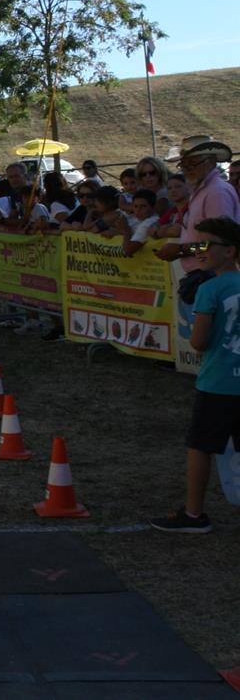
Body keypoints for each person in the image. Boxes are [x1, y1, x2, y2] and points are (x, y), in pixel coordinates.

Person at [149, 218, 240, 533]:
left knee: (200, 447)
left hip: (218, 382)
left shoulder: (209, 289)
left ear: (229, 251)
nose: (198, 251)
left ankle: (194, 514)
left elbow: (199, 341)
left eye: (205, 244)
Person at [154, 137, 240, 272]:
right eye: (183, 164)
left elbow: (218, 244)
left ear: (211, 162)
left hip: (210, 273)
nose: (187, 169)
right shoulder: (201, 190)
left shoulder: (216, 192)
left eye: (193, 163)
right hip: (205, 271)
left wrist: (180, 249)